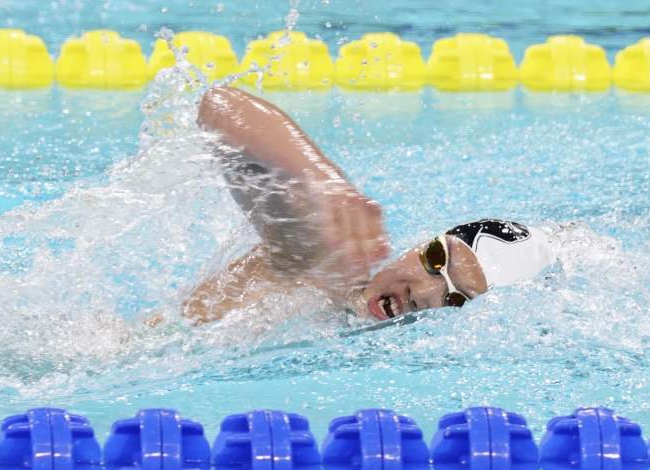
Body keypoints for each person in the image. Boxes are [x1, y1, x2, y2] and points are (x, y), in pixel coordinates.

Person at [181, 87, 555, 325]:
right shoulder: (325, 265)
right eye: (436, 259)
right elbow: (218, 105)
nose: (423, 294)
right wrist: (322, 180)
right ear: (423, 244)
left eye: (456, 299)